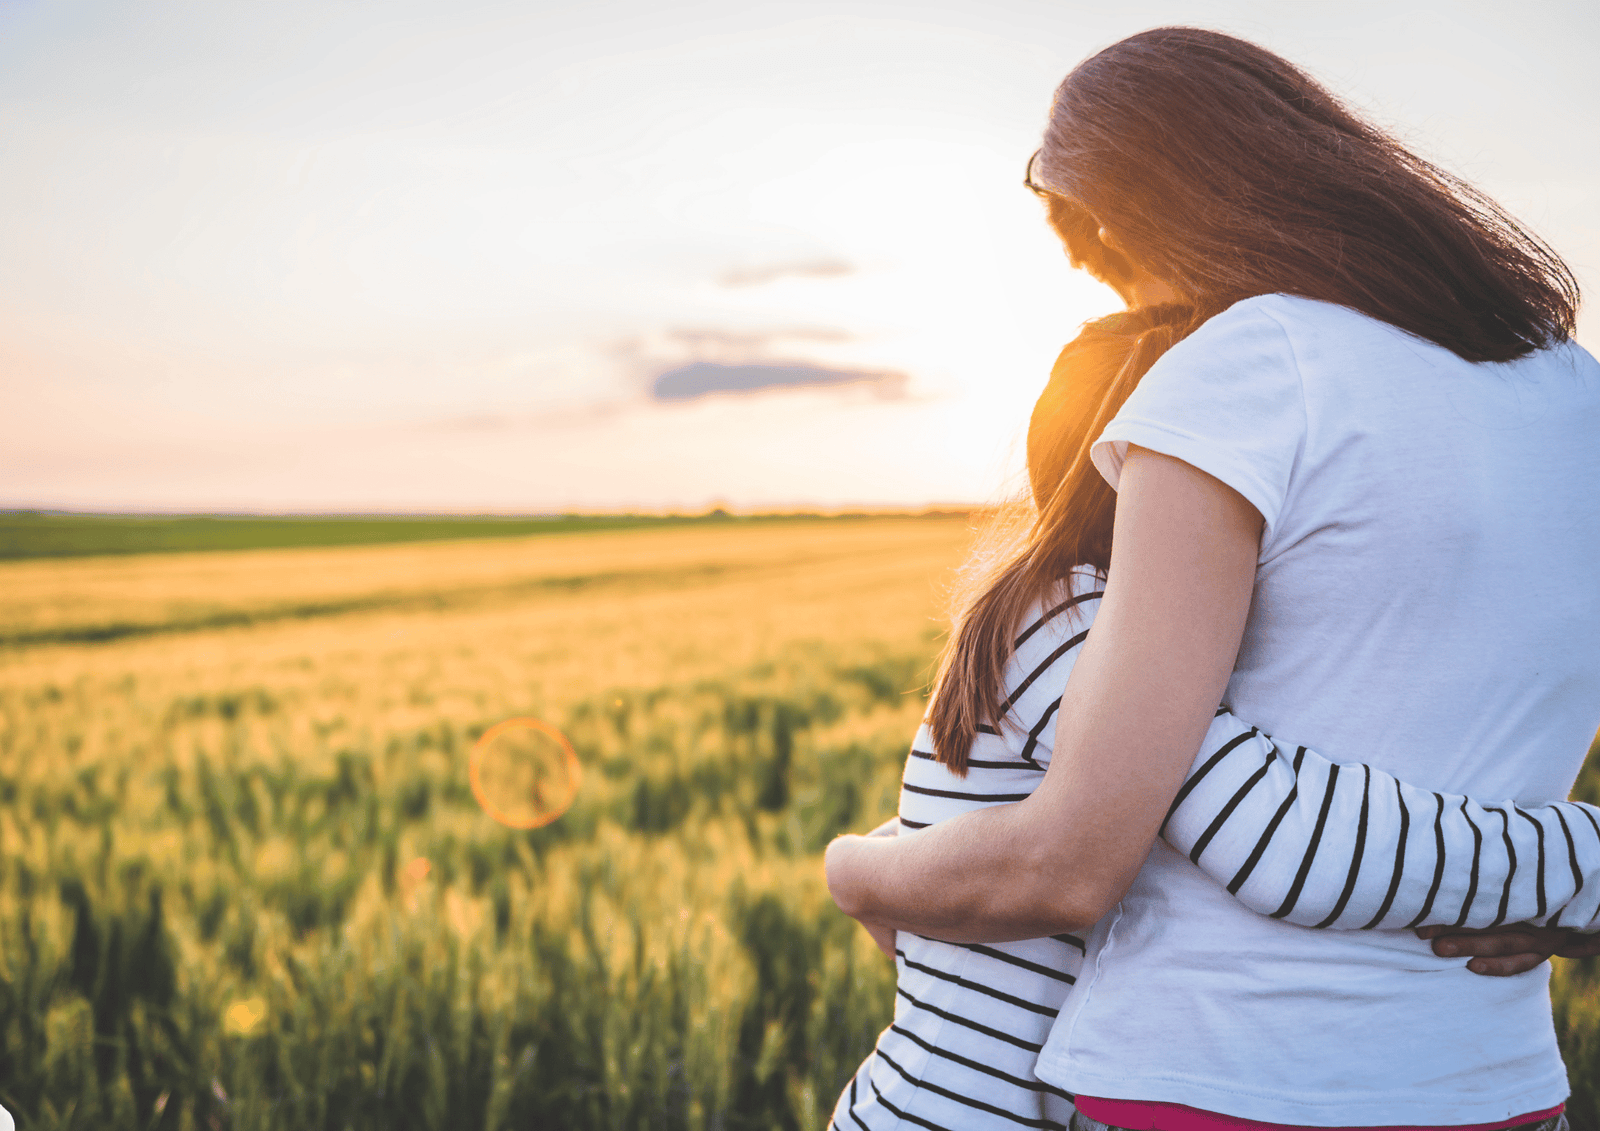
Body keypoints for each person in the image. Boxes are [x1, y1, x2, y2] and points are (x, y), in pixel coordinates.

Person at [825, 26, 1600, 1130]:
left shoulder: (1254, 359)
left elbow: (1080, 857)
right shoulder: (1577, 392)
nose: (1159, 320)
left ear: (1144, 212)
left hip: (1223, 1075)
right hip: (1503, 1086)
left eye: (1122, 275)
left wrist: (852, 869)